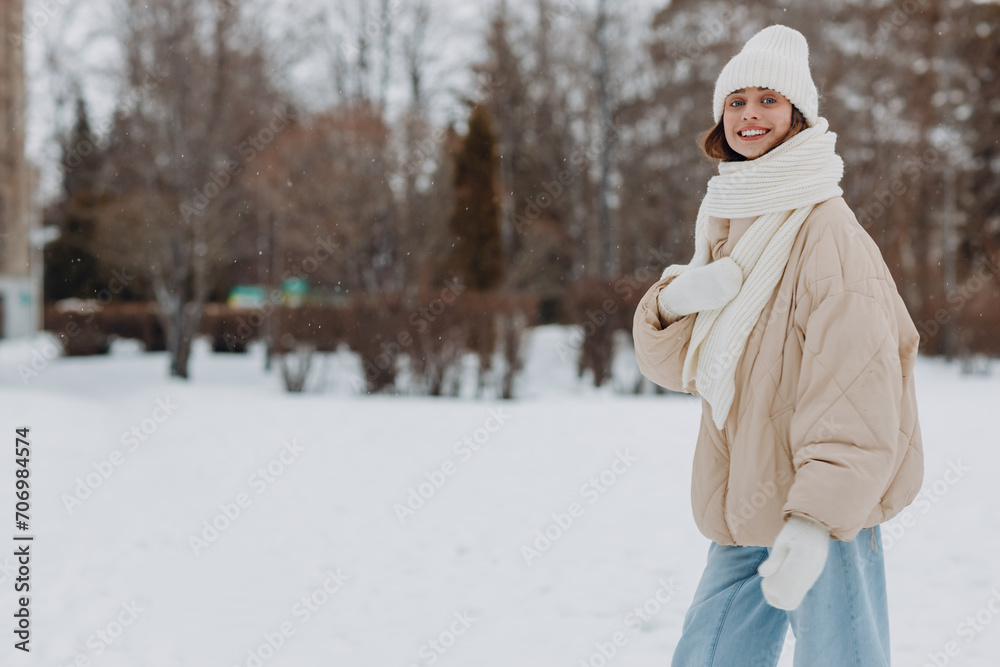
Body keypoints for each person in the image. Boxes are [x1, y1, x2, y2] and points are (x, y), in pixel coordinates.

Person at [632, 25, 924, 667]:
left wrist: (817, 519)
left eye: (769, 99)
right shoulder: (732, 221)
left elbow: (858, 385)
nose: (750, 114)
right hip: (746, 499)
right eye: (736, 101)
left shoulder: (827, 232)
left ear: (798, 115)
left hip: (824, 512)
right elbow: (676, 367)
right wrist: (672, 302)